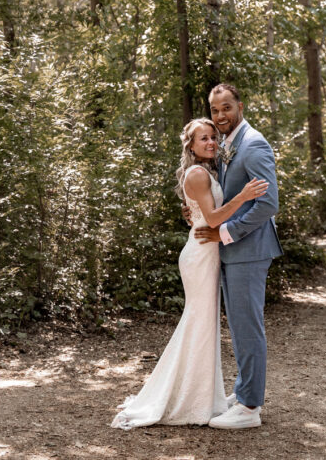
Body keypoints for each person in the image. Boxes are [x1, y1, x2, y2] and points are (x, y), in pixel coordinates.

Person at [111, 117, 268, 430]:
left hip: (208, 253)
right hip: (200, 255)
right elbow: (211, 219)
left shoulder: (206, 170)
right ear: (191, 146)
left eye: (213, 137)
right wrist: (243, 196)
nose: (210, 142)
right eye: (203, 139)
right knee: (198, 323)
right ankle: (185, 398)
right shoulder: (198, 173)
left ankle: (204, 395)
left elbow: (201, 212)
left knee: (203, 324)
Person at [191, 84, 283, 430]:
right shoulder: (229, 144)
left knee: (248, 329)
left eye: (226, 108)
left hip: (248, 249)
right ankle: (244, 389)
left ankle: (249, 408)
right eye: (215, 111)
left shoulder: (254, 143)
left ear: (240, 106)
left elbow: (268, 203)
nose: (220, 116)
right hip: (234, 251)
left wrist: (226, 232)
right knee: (241, 328)